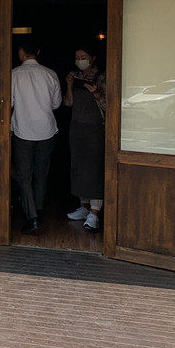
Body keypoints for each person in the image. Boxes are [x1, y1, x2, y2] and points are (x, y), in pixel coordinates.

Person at [11, 40, 62, 234]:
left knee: (24, 176)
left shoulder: (14, 74)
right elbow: (56, 104)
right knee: (41, 173)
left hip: (23, 131)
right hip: (46, 131)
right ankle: (38, 210)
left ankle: (31, 217)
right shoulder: (50, 74)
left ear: (21, 53)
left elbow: (9, 102)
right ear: (38, 52)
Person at [64, 43, 106, 232]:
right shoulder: (75, 76)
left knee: (94, 169)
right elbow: (68, 103)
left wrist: (95, 92)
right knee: (79, 167)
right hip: (77, 127)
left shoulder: (102, 76)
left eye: (83, 57)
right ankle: (84, 206)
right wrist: (69, 85)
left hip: (95, 129)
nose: (80, 61)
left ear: (92, 58)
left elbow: (109, 104)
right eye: (77, 57)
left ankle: (95, 213)